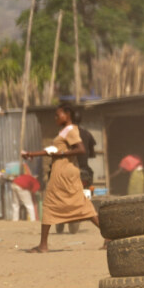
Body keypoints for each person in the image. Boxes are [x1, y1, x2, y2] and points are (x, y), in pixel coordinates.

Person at [20, 105, 101, 253]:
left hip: (65, 173)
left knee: (51, 204)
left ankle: (43, 245)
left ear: (68, 114)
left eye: (58, 115)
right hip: (61, 172)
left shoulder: (71, 130)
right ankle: (109, 237)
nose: (56, 118)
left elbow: (81, 149)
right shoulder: (64, 131)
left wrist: (62, 154)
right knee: (82, 206)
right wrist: (32, 154)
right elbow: (54, 151)